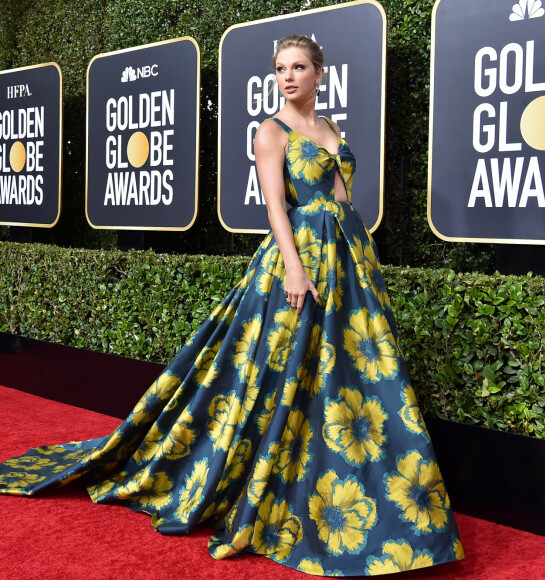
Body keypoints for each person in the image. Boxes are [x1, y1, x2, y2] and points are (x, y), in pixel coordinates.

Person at [0, 35, 464, 576]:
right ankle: (276, 479)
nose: (287, 77)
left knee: (355, 375)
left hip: (349, 257)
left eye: (298, 67)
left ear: (319, 73)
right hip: (301, 257)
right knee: (285, 372)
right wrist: (294, 266)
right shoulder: (271, 131)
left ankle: (377, 489)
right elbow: (275, 206)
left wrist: (361, 260)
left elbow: (342, 200)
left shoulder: (330, 128)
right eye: (279, 69)